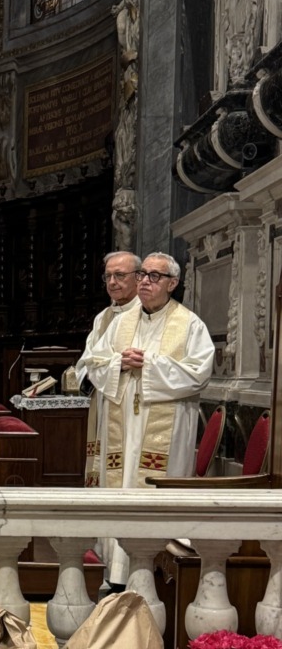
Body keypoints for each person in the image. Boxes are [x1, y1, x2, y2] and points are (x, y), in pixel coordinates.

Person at [84, 251, 215, 584]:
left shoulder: (189, 324)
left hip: (165, 430)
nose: (145, 281)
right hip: (123, 423)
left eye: (154, 276)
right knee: (123, 485)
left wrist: (152, 364)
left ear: (172, 284)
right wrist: (119, 364)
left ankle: (158, 573)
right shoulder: (121, 322)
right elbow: (95, 363)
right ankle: (117, 572)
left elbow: (199, 374)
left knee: (154, 492)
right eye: (142, 274)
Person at [77, 250, 142, 487]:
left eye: (120, 275)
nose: (112, 282)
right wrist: (95, 372)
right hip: (103, 402)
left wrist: (113, 366)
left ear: (138, 277)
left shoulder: (146, 314)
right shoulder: (102, 317)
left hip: (131, 406)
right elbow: (86, 362)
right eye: (108, 276)